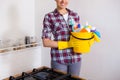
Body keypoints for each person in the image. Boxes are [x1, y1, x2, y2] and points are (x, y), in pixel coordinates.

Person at [42, 0, 81, 76]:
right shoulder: (49, 16)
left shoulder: (75, 15)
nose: (63, 1)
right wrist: (68, 44)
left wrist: (89, 37)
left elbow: (78, 35)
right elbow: (46, 42)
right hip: (59, 59)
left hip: (76, 57)